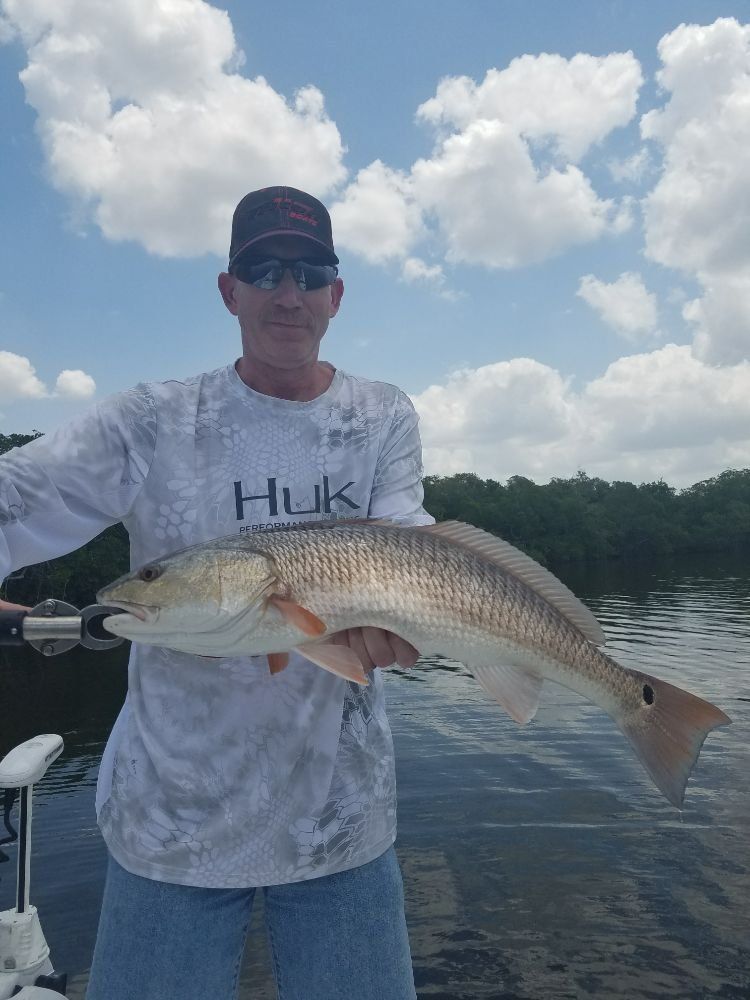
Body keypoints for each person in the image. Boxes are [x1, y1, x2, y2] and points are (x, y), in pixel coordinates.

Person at [0, 186, 433, 999]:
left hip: (342, 822)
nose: (287, 292)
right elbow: (13, 499)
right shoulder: (153, 420)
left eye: (309, 272)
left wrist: (399, 627)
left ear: (336, 295)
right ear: (229, 290)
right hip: (173, 824)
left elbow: (408, 552)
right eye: (263, 269)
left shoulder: (382, 416)